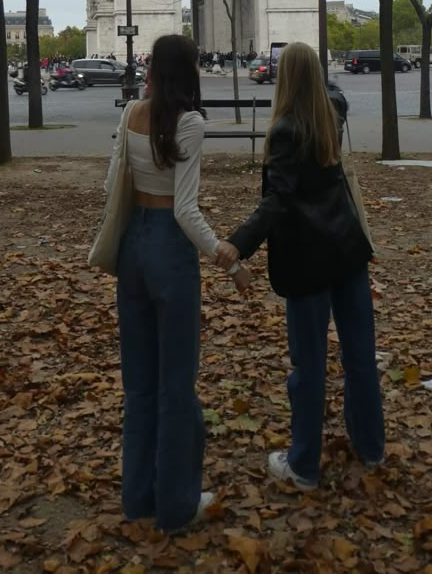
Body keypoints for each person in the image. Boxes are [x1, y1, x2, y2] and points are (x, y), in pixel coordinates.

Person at [217, 41, 384, 489]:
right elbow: (335, 90)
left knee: (308, 367)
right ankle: (370, 448)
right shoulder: (333, 112)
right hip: (347, 251)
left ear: (284, 77)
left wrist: (238, 243)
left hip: (309, 260)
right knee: (360, 358)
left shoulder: (288, 130)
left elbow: (279, 201)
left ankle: (305, 465)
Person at [107, 34, 249, 533]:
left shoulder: (130, 114)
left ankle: (139, 498)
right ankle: (177, 505)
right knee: (176, 387)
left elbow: (112, 186)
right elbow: (187, 211)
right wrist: (227, 260)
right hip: (170, 251)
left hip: (133, 249)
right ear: (187, 71)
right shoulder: (190, 123)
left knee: (139, 385)